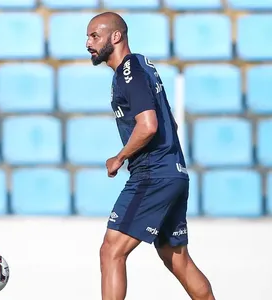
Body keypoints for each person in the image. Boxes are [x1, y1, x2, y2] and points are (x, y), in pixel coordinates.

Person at [86, 12, 215, 300]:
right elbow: (171, 123)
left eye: (94, 36)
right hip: (173, 172)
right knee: (176, 258)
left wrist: (120, 157)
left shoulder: (129, 73)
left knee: (111, 251)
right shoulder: (142, 66)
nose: (88, 43)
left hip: (153, 175)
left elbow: (148, 125)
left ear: (115, 36)